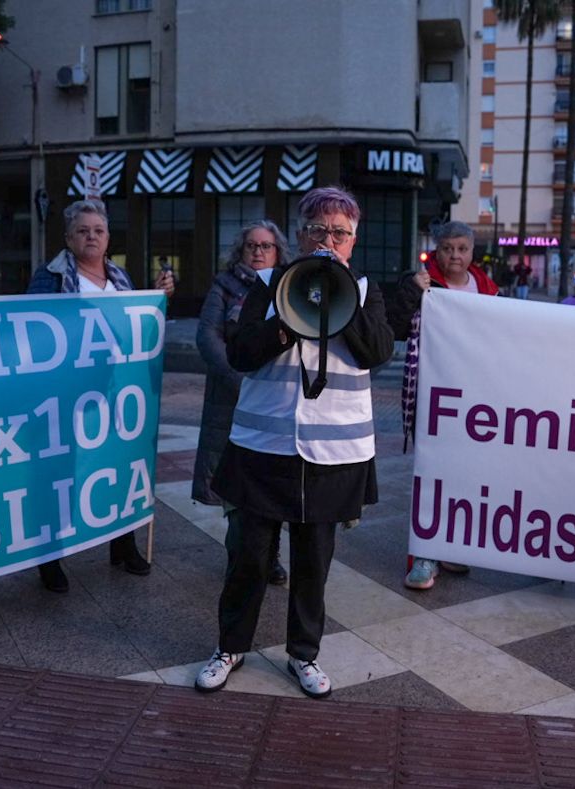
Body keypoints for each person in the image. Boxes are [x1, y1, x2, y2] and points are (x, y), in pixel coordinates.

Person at [193, 186, 393, 699]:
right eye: (319, 230)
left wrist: (342, 293)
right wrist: (287, 316)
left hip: (333, 453)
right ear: (301, 236)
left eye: (340, 233)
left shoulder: (365, 289)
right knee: (249, 557)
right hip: (265, 446)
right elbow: (239, 353)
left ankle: (304, 654)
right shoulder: (267, 285)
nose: (329, 241)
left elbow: (375, 351)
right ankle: (230, 646)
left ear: (353, 240)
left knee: (313, 562)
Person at [27, 199, 175, 592]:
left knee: (118, 466)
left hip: (117, 394)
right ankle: (50, 559)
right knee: (60, 474)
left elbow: (136, 331)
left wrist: (157, 301)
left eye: (98, 230)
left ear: (108, 238)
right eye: (82, 230)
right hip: (66, 397)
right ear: (68, 238)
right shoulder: (51, 277)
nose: (91, 236)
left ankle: (122, 545)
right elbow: (32, 333)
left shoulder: (120, 278)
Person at [387, 221, 497, 590]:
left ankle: (449, 545)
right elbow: (396, 326)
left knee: (464, 475)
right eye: (448, 248)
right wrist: (409, 294)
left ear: (471, 251)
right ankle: (424, 554)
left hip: (474, 399)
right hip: (431, 395)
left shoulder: (488, 289)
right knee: (431, 474)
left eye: (462, 248)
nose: (454, 255)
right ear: (437, 249)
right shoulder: (422, 283)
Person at [192, 220, 292, 585]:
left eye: (266, 246)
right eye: (252, 245)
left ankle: (271, 556)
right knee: (235, 485)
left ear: (278, 252)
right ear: (241, 250)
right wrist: (241, 377)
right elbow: (207, 337)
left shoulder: (288, 286)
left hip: (276, 403)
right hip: (231, 401)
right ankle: (242, 557)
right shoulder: (225, 286)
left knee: (273, 482)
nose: (258, 252)